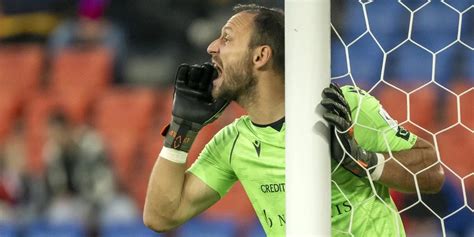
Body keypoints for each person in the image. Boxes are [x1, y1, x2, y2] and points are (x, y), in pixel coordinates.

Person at [143, 4, 445, 236]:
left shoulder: (341, 107)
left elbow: (432, 172)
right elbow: (161, 216)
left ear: (260, 56)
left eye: (226, 38)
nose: (211, 48)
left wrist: (362, 160)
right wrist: (182, 128)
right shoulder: (233, 141)